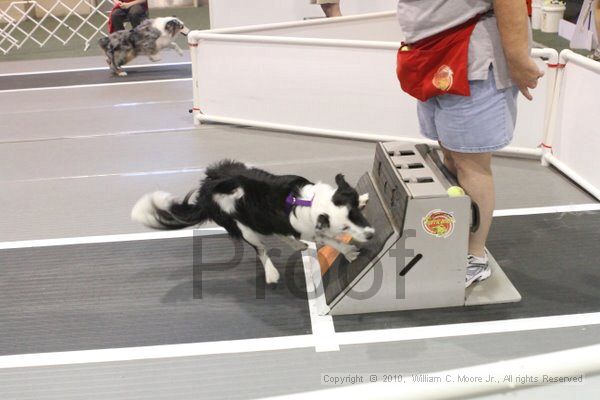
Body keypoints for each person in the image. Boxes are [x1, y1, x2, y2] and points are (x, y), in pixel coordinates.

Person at [396, 0, 543, 287]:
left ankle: (474, 256)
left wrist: (517, 58)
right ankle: (455, 241)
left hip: (469, 54)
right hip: (433, 53)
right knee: (451, 155)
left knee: (470, 163)